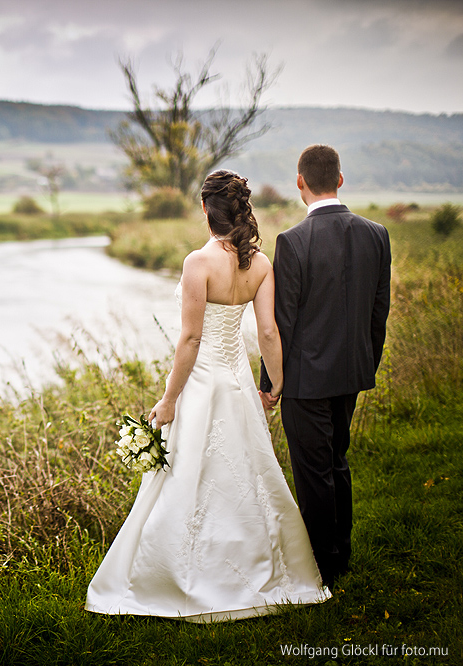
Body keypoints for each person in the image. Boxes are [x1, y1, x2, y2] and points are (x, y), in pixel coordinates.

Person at [85, 170, 330, 622]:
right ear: (241, 209)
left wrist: (169, 398)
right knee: (248, 473)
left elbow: (191, 340)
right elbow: (269, 332)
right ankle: (267, 570)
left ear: (205, 209)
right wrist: (275, 383)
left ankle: (186, 576)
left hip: (201, 382)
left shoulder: (198, 263)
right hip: (237, 380)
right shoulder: (258, 264)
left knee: (191, 476)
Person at [259, 145, 391, 587]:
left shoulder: (293, 242)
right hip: (352, 373)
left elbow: (282, 323)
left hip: (305, 381)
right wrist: (364, 363)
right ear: (340, 179)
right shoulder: (378, 234)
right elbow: (379, 313)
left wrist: (272, 384)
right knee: (336, 461)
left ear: (300, 183)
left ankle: (326, 567)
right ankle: (342, 555)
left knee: (314, 473)